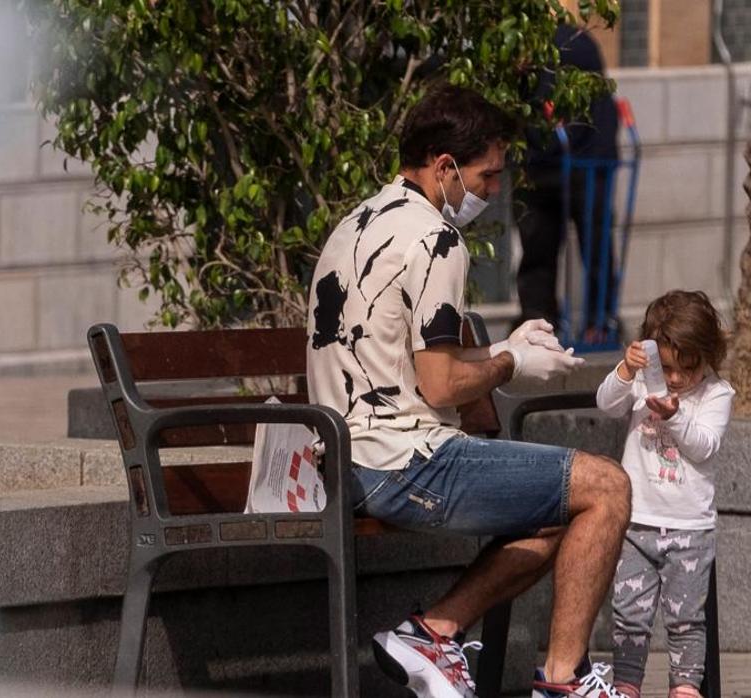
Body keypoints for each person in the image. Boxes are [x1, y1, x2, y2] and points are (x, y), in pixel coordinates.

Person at [306, 83, 632, 698]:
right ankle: (564, 681)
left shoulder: (356, 223)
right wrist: (509, 365)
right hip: (405, 461)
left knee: (564, 508)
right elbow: (440, 383)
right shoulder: (436, 239)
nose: (492, 193)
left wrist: (505, 346)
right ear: (445, 166)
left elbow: (406, 358)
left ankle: (433, 631)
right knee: (608, 488)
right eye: (487, 177)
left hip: (352, 456)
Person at [594, 290, 735, 698]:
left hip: (689, 529)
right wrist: (624, 369)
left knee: (686, 619)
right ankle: (625, 685)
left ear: (708, 356)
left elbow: (705, 446)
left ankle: (686, 687)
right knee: (629, 614)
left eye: (688, 369)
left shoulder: (716, 394)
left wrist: (674, 418)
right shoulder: (642, 382)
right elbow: (605, 404)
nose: (675, 379)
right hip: (637, 520)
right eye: (668, 368)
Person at [515, 24, 620, 339]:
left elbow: (588, 105)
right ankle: (539, 322)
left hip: (584, 160)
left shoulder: (569, 43)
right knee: (538, 248)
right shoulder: (521, 42)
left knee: (595, 246)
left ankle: (598, 323)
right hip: (540, 164)